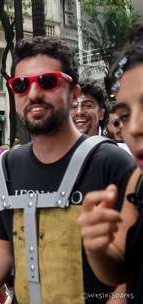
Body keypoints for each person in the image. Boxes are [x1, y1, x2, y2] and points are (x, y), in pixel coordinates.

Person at [0, 36, 135, 304]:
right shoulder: (7, 165)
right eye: (21, 85)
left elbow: (131, 267)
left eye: (48, 81)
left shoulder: (111, 162)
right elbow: (5, 244)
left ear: (74, 93)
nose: (33, 94)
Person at [77, 23, 143, 303]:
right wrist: (98, 248)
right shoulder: (137, 181)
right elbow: (121, 272)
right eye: (125, 115)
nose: (134, 128)